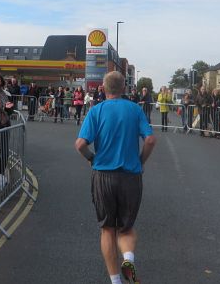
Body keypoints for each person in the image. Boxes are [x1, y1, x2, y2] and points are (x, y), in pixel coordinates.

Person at [75, 71, 156, 284]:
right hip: (130, 176)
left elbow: (80, 144)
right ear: (124, 88)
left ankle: (115, 281)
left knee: (108, 229)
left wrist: (92, 159)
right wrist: (141, 162)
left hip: (103, 176)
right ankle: (128, 258)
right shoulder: (135, 109)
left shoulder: (96, 110)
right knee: (126, 228)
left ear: (103, 87)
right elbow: (150, 140)